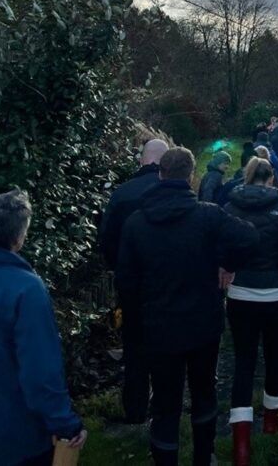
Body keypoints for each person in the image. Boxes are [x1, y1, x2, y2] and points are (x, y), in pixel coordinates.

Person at [116, 147, 260, 466]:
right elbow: (249, 239)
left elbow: (125, 283)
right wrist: (228, 263)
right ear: (191, 176)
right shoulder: (207, 216)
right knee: (204, 393)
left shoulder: (137, 224)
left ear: (161, 174)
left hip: (159, 328)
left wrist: (136, 328)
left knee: (165, 403)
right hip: (202, 326)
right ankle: (203, 457)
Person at [0, 190, 87, 466]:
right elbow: (39, 371)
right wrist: (65, 424)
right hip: (15, 439)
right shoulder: (25, 288)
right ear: (19, 238)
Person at [224, 157, 278, 466]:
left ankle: (241, 445)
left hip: (241, 295)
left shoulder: (230, 208)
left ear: (247, 176)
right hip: (275, 295)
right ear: (271, 178)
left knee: (243, 363)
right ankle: (271, 420)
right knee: (274, 357)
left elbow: (225, 251)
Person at [99, 138, 169, 422]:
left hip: (131, 284)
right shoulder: (175, 192)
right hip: (167, 284)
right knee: (166, 346)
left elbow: (106, 240)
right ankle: (165, 406)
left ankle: (136, 408)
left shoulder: (121, 194)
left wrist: (120, 267)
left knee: (134, 347)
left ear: (142, 159)